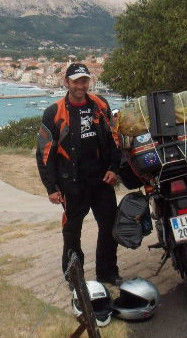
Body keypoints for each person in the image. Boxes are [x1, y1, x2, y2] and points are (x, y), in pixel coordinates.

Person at [36, 63, 122, 288]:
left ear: (88, 82)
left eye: (84, 81)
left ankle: (107, 272)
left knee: (109, 227)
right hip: (72, 183)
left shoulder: (100, 104)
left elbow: (114, 138)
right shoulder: (54, 112)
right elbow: (45, 153)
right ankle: (74, 277)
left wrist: (114, 168)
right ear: (67, 82)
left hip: (102, 180)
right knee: (72, 232)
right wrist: (51, 188)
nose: (80, 86)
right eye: (76, 81)